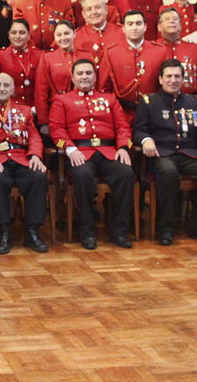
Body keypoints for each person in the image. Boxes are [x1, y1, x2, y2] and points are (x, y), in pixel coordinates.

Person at [134, 59, 197, 245]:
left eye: (177, 76)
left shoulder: (193, 101)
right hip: (162, 153)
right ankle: (165, 227)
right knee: (168, 172)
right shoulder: (149, 102)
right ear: (160, 79)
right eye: (169, 76)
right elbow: (139, 130)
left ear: (183, 79)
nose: (173, 80)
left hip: (189, 153)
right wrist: (146, 139)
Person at [48, 58, 134, 250]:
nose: (84, 77)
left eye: (88, 73)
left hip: (108, 151)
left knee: (126, 173)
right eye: (80, 73)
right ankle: (87, 232)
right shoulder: (62, 100)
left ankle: (119, 231)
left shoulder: (109, 99)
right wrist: (70, 149)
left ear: (95, 76)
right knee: (83, 174)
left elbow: (122, 127)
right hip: (80, 151)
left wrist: (123, 147)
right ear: (72, 77)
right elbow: (56, 129)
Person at [0, 73, 50, 254]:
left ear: (13, 89)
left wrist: (36, 156)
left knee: (38, 177)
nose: (1, 89)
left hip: (22, 157)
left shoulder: (24, 110)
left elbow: (34, 136)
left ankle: (32, 232)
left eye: (6, 85)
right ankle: (4, 232)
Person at [97, 10, 168, 125]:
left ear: (145, 27)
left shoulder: (159, 51)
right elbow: (104, 88)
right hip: (122, 113)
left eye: (138, 23)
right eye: (130, 24)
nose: (134, 28)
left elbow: (164, 85)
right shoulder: (111, 52)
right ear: (123, 29)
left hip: (153, 113)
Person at [34, 20, 91, 128]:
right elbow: (41, 92)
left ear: (74, 34)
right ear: (54, 37)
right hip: (57, 113)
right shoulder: (47, 58)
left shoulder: (86, 56)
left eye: (66, 33)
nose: (63, 38)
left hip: (83, 111)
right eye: (59, 35)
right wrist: (43, 121)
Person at [0, 19, 43, 107]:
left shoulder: (39, 56)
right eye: (13, 33)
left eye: (22, 32)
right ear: (9, 35)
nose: (17, 36)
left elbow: (43, 88)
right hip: (8, 109)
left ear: (29, 35)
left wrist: (35, 108)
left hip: (33, 109)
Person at [157, 7, 197, 95]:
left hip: (189, 100)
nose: (172, 21)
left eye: (175, 19)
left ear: (181, 26)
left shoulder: (194, 48)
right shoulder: (154, 48)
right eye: (167, 19)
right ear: (159, 27)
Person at [74, 0, 126, 65]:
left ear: (106, 9)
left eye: (98, 7)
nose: (94, 12)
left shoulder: (122, 32)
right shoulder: (76, 36)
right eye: (89, 9)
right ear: (83, 14)